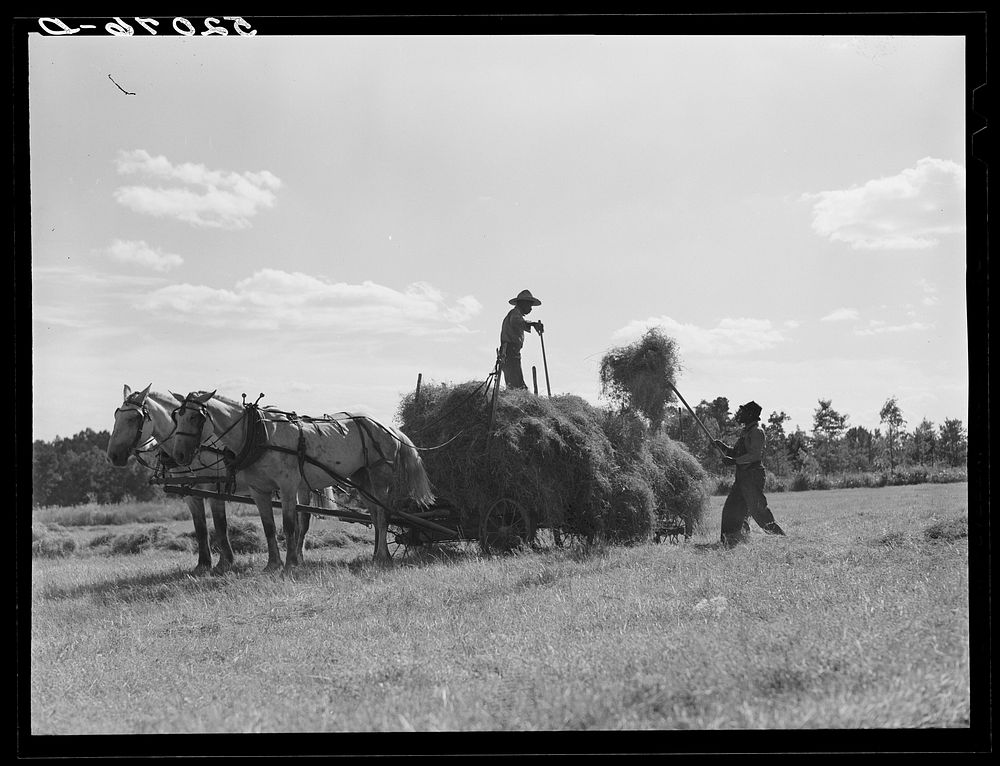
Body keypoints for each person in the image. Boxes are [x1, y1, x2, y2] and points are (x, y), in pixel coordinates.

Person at [713, 400, 786, 547]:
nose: (741, 414)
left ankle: (782, 539)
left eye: (744, 412)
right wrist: (723, 447)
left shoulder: (757, 432)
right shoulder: (745, 432)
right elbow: (736, 453)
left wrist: (733, 461)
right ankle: (730, 541)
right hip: (742, 478)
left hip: (752, 477)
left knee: (759, 512)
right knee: (731, 509)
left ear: (751, 415)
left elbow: (754, 456)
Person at [499, 289, 543, 390]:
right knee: (516, 383)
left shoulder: (517, 314)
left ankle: (518, 392)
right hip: (510, 350)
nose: (530, 308)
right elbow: (516, 322)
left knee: (516, 381)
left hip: (513, 351)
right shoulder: (515, 313)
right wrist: (532, 324)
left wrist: (532, 324)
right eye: (529, 305)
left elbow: (520, 322)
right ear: (522, 303)